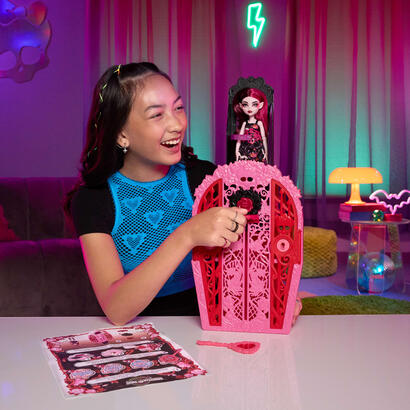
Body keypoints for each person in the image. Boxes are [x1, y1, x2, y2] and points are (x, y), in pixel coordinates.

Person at [65, 62, 248, 326]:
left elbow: (245, 262)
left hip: (210, 328)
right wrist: (187, 235)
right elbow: (116, 310)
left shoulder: (205, 177)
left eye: (178, 108)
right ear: (121, 135)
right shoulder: (93, 200)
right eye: (157, 115)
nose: (176, 124)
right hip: (140, 334)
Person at [233, 88, 268, 163]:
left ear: (261, 105)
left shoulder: (259, 123)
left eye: (254, 104)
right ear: (241, 105)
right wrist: (236, 151)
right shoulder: (245, 123)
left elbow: (263, 138)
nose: (249, 108)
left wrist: (266, 152)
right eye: (245, 104)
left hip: (257, 149)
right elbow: (239, 138)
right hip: (246, 149)